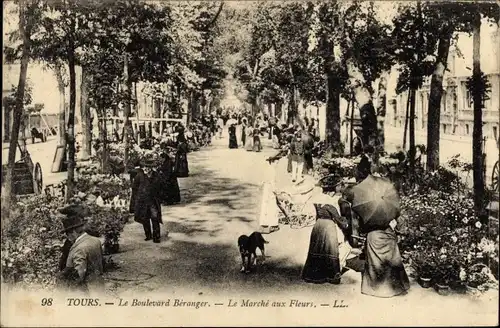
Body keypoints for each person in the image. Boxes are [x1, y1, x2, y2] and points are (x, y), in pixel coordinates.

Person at [345, 168, 410, 298]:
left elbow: (360, 224)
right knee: (392, 261)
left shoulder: (367, 207)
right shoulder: (390, 206)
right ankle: (395, 288)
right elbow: (401, 220)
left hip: (373, 236)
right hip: (388, 235)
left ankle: (375, 287)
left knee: (375, 264)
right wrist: (399, 231)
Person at [57, 204, 104, 294]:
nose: (67, 236)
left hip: (86, 292)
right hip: (99, 286)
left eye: (68, 233)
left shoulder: (78, 248)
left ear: (73, 232)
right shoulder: (95, 240)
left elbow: (79, 275)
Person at [130, 168, 163, 243]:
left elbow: (161, 187)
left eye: (149, 166)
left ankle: (156, 236)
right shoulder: (139, 176)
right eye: (145, 166)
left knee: (155, 217)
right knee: (145, 218)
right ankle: (148, 235)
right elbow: (135, 188)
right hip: (143, 201)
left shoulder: (156, 175)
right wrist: (136, 200)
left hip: (153, 201)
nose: (147, 168)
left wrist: (159, 197)